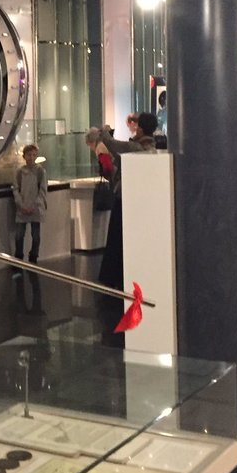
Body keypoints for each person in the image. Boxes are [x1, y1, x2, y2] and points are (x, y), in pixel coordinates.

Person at [94, 113, 157, 344]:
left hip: (125, 199)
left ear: (140, 128)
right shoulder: (152, 148)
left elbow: (111, 144)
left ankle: (113, 277)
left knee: (116, 239)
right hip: (140, 201)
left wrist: (103, 131)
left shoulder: (136, 148)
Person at [12, 144, 48, 312]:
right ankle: (18, 258)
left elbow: (43, 190)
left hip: (35, 209)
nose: (32, 158)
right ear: (24, 156)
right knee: (19, 235)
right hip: (23, 209)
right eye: (29, 155)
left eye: (34, 155)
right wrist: (21, 205)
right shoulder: (19, 172)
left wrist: (35, 205)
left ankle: (33, 257)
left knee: (36, 235)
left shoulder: (41, 172)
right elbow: (16, 189)